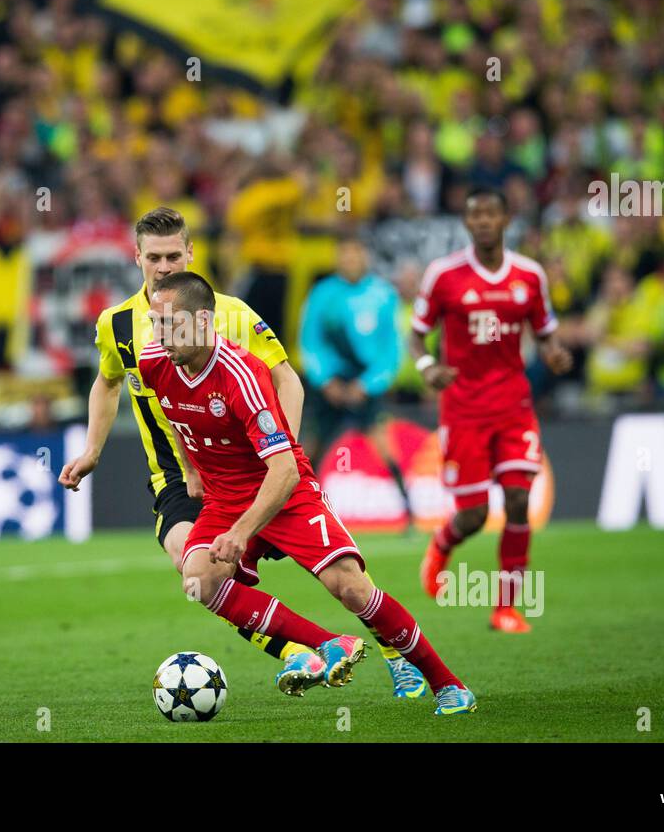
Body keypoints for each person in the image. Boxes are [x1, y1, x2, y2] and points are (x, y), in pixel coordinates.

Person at [59, 207, 429, 698]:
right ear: (137, 258)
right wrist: (91, 449)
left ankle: (389, 647)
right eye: (154, 258)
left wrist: (286, 456)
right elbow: (106, 384)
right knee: (197, 573)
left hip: (251, 467)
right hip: (175, 475)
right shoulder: (119, 324)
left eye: (174, 255)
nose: (165, 266)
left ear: (191, 253)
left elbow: (286, 377)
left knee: (342, 576)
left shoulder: (228, 312)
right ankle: (301, 649)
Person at [137, 271, 475, 714]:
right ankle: (328, 642)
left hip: (284, 491)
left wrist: (241, 532)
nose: (160, 335)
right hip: (225, 497)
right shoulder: (154, 362)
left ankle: (447, 684)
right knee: (199, 579)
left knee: (351, 588)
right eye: (155, 323)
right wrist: (192, 469)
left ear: (202, 320)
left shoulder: (242, 376)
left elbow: (284, 471)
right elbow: (174, 415)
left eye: (169, 323)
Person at [412, 187, 573, 633]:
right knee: (475, 515)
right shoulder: (443, 276)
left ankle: (506, 607)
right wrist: (427, 366)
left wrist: (555, 354)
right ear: (467, 223)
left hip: (514, 406)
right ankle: (441, 546)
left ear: (505, 220)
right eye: (475, 214)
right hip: (463, 409)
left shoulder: (530, 276)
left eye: (491, 214)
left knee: (519, 499)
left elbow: (545, 333)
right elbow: (417, 334)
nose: (483, 221)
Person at [298, 234, 411, 522]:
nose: (349, 261)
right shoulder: (323, 294)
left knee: (384, 446)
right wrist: (326, 381)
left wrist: (369, 384)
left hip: (366, 384)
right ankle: (297, 510)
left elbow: (393, 349)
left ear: (365, 257)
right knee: (312, 448)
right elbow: (310, 341)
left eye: (354, 254)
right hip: (330, 385)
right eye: (344, 255)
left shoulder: (383, 295)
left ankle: (409, 512)